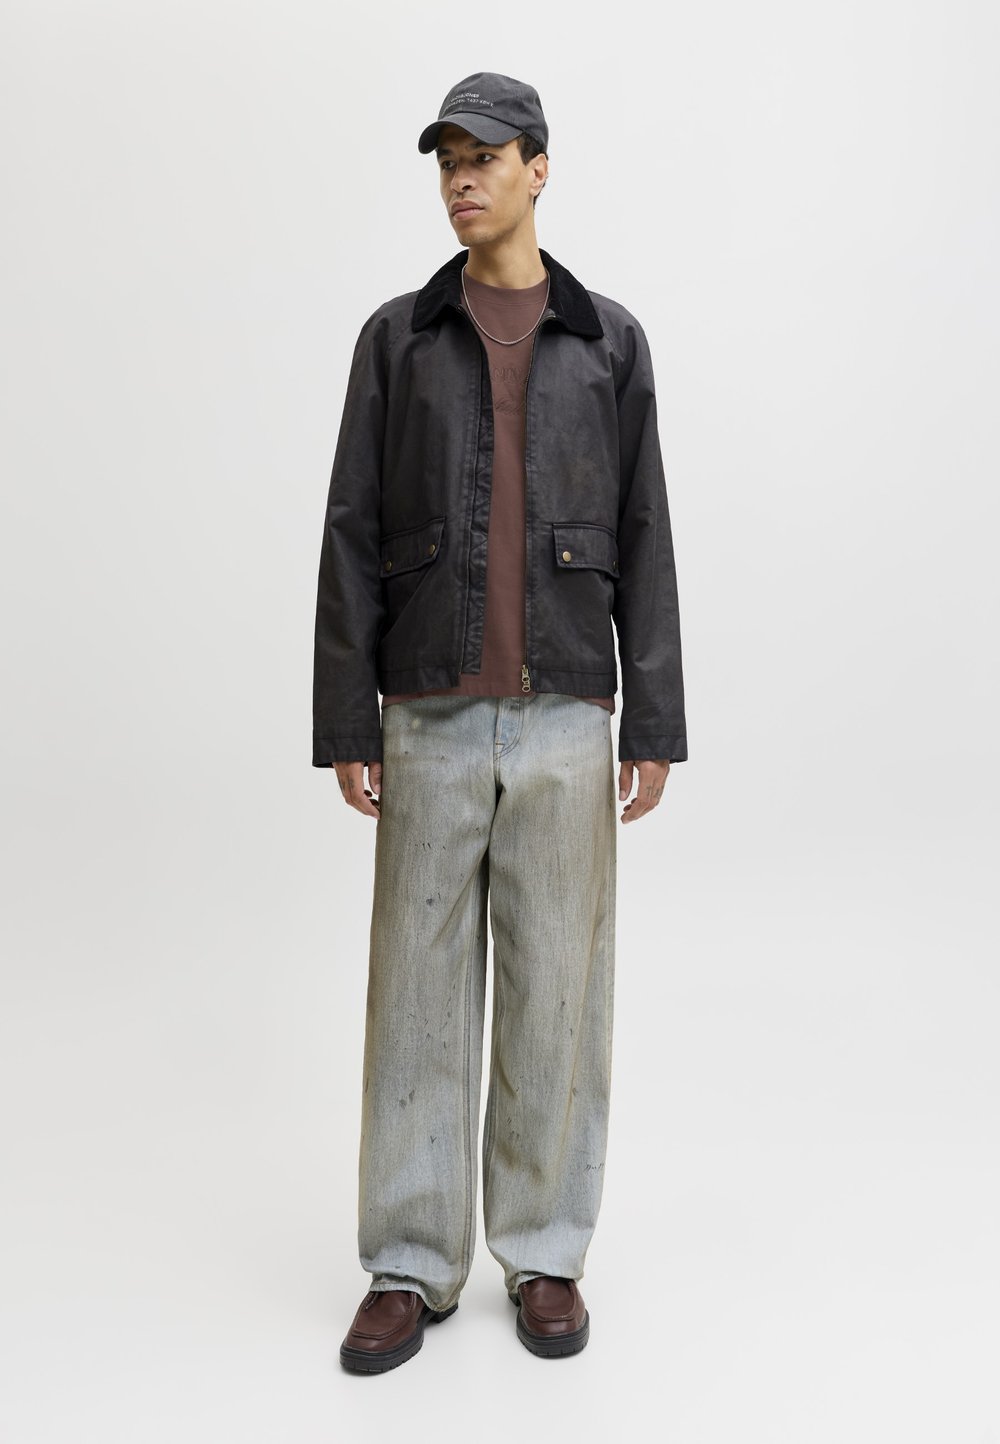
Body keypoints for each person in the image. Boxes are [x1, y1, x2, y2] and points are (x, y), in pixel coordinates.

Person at [312, 71, 688, 1373]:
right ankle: (410, 1264)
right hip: (426, 708)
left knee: (558, 994)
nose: (462, 179)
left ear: (539, 167)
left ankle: (544, 1251)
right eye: (447, 160)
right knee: (415, 995)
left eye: (485, 156)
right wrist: (346, 715)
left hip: (569, 711)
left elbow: (646, 527)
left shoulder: (610, 341)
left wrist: (653, 718)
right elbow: (352, 527)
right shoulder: (397, 339)